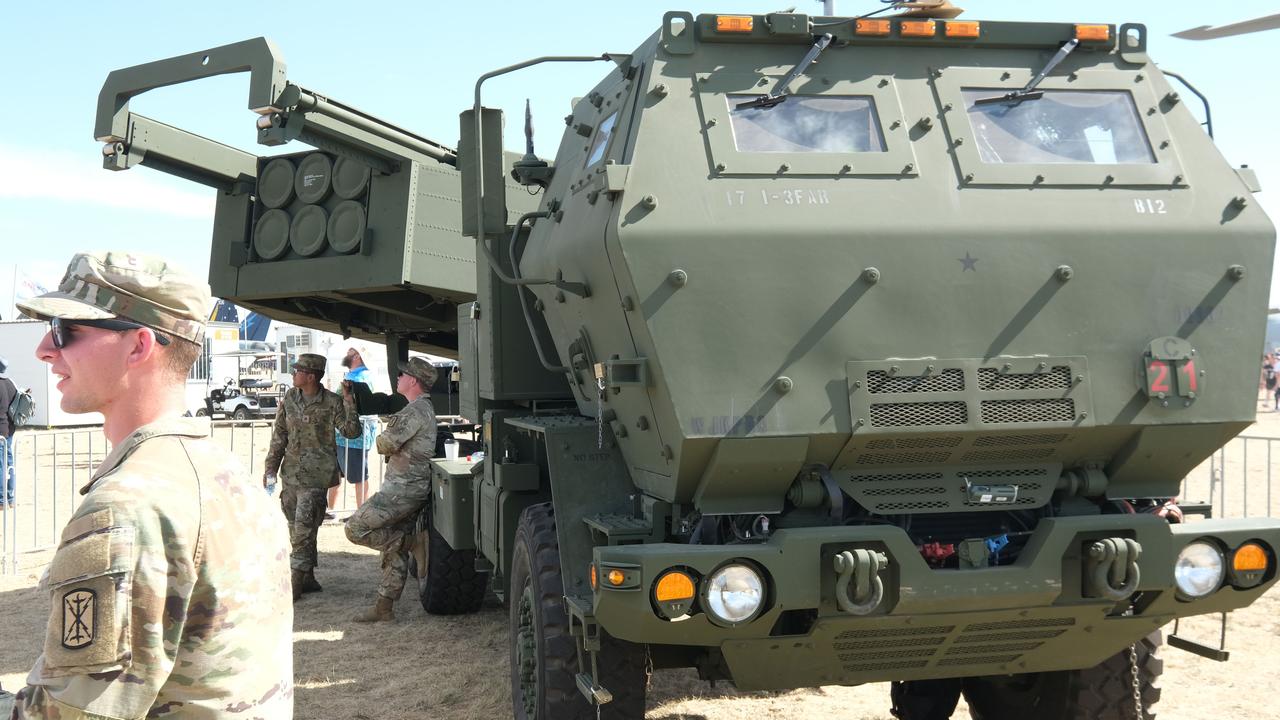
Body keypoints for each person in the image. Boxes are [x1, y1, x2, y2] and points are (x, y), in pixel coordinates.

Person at [10, 251, 293, 718]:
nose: (45, 348)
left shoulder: (128, 505)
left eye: (65, 330)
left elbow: (67, 713)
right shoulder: (229, 476)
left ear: (139, 346)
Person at [344, 357, 438, 622]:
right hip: (410, 488)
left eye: (402, 375)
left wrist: (385, 434)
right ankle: (384, 607)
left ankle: (415, 543)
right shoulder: (421, 409)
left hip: (402, 490)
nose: (398, 378)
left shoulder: (415, 411)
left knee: (355, 528)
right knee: (392, 547)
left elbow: (384, 443)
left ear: (414, 381)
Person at [264, 352, 360, 600]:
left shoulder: (332, 402)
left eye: (297, 371)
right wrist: (270, 469)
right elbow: (279, 435)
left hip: (316, 478)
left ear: (310, 376)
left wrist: (349, 401)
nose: (293, 374)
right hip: (291, 475)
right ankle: (307, 578)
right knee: (297, 529)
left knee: (305, 528)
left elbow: (351, 431)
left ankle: (294, 584)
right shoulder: (290, 398)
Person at [329, 347, 375, 515]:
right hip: (342, 434)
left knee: (359, 475)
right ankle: (330, 510)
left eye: (349, 352)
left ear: (357, 356)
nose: (345, 355)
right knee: (336, 474)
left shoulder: (362, 377)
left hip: (355, 436)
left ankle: (361, 512)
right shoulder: (354, 376)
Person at [0, 357, 17, 508]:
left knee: (0, 465)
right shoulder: (10, 383)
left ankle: (0, 500)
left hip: (0, 431)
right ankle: (11, 499)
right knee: (9, 464)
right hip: (9, 431)